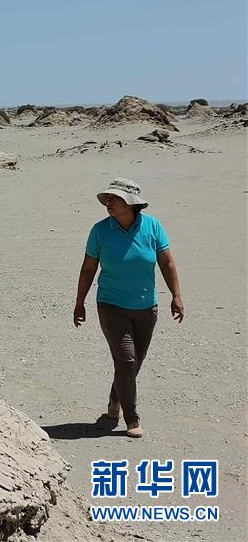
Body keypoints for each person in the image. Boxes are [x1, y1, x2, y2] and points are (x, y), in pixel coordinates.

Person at [73, 178, 184, 438]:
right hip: (111, 305)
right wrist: (79, 302)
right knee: (126, 360)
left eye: (115, 198)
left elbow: (167, 263)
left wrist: (176, 295)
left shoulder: (153, 227)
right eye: (108, 198)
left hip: (146, 307)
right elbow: (88, 269)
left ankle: (115, 400)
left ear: (131, 203)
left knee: (133, 364)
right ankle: (131, 418)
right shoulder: (100, 231)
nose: (108, 202)